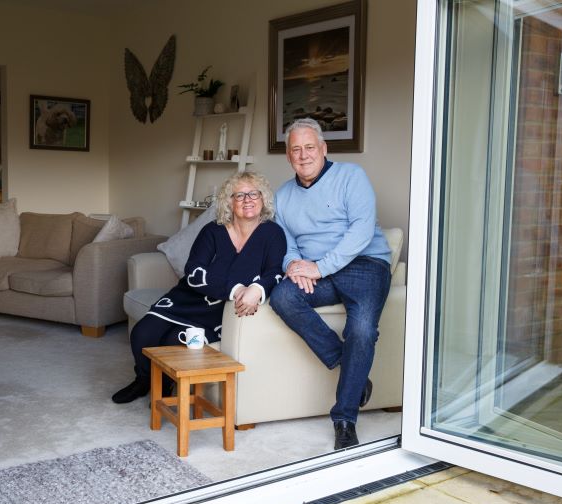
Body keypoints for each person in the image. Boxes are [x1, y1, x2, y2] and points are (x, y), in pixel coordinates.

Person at [270, 118, 393, 450]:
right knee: (282, 296)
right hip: (316, 272)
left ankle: (344, 419)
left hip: (364, 265)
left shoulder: (351, 176)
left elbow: (361, 231)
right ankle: (347, 363)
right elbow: (287, 243)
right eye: (296, 149)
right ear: (288, 155)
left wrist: (319, 268)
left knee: (362, 330)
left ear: (323, 149)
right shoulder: (282, 195)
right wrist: (292, 265)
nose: (303, 154)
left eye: (310, 147)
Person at [112, 171, 286, 404]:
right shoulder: (213, 230)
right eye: (240, 195)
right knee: (142, 333)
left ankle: (163, 385)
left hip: (217, 312)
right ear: (229, 202)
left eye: (254, 194)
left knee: (174, 341)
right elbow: (194, 273)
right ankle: (143, 381)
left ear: (263, 198)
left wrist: (257, 289)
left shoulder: (272, 234)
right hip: (187, 299)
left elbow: (275, 272)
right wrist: (236, 291)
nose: (248, 200)